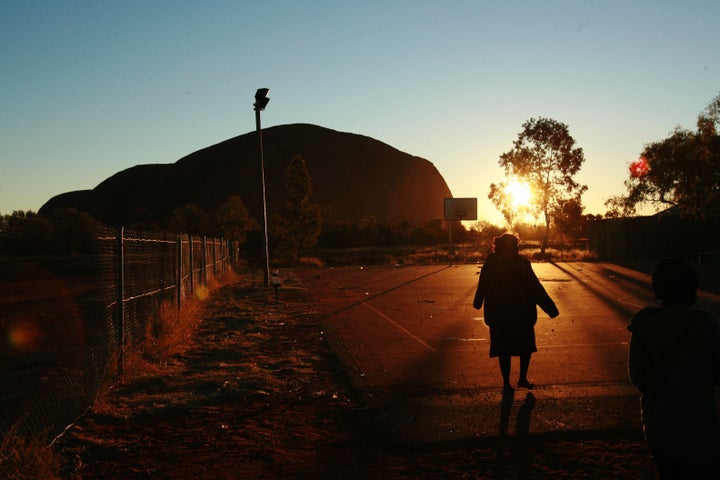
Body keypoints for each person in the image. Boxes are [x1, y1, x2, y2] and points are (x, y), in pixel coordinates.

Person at [628, 258, 720, 477]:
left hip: (659, 427)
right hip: (700, 426)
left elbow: (639, 378)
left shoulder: (644, 325)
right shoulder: (704, 323)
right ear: (691, 289)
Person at [473, 233, 559, 392]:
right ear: (514, 246)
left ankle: (506, 383)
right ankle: (522, 378)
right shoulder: (521, 263)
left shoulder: (491, 262)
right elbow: (535, 288)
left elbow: (482, 284)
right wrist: (550, 309)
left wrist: (477, 303)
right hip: (522, 314)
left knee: (503, 350)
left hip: (498, 314)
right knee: (525, 348)